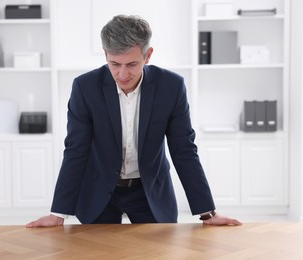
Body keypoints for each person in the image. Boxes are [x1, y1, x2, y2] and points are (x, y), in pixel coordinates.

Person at [27, 15, 242, 227]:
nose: (122, 74)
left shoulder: (171, 87)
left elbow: (183, 150)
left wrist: (207, 213)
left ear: (148, 56)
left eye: (131, 64)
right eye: (114, 64)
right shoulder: (85, 88)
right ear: (105, 55)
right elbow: (76, 150)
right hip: (99, 191)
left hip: (149, 191)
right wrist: (58, 213)